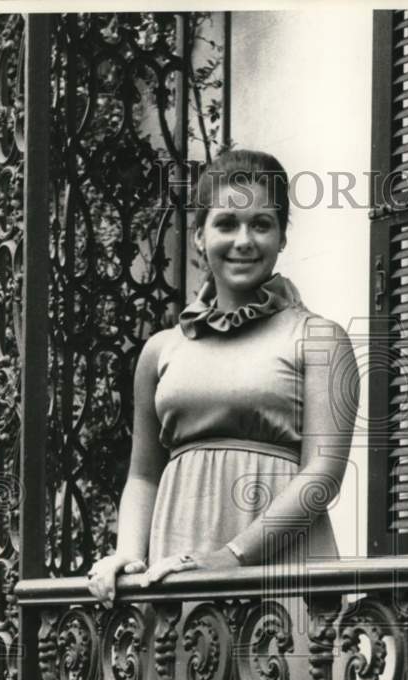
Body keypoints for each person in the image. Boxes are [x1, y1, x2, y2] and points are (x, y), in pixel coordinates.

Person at [86, 148, 357, 607]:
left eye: (262, 224)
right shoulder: (161, 351)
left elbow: (323, 474)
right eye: (227, 223)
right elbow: (143, 475)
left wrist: (232, 557)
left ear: (282, 237)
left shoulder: (320, 339)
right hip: (177, 559)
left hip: (280, 561)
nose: (244, 240)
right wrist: (127, 555)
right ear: (198, 236)